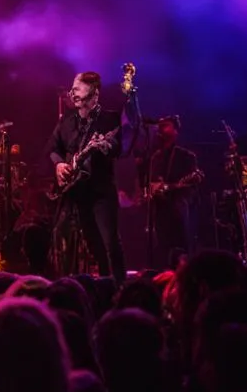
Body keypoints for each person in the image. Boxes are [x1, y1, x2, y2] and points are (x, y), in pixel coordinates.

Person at [48, 69, 139, 282]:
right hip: (75, 192)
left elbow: (119, 147)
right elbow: (53, 148)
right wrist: (59, 165)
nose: (72, 92)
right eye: (72, 88)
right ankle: (98, 284)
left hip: (101, 191)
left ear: (94, 93)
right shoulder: (67, 122)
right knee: (91, 243)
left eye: (78, 88)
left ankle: (118, 287)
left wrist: (107, 146)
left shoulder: (109, 120)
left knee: (110, 243)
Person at [148, 116, 203, 261]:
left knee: (181, 244)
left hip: (179, 207)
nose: (161, 128)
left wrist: (173, 187)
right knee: (162, 245)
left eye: (166, 125)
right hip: (160, 207)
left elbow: (192, 185)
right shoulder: (156, 157)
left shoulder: (186, 156)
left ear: (176, 130)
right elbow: (153, 182)